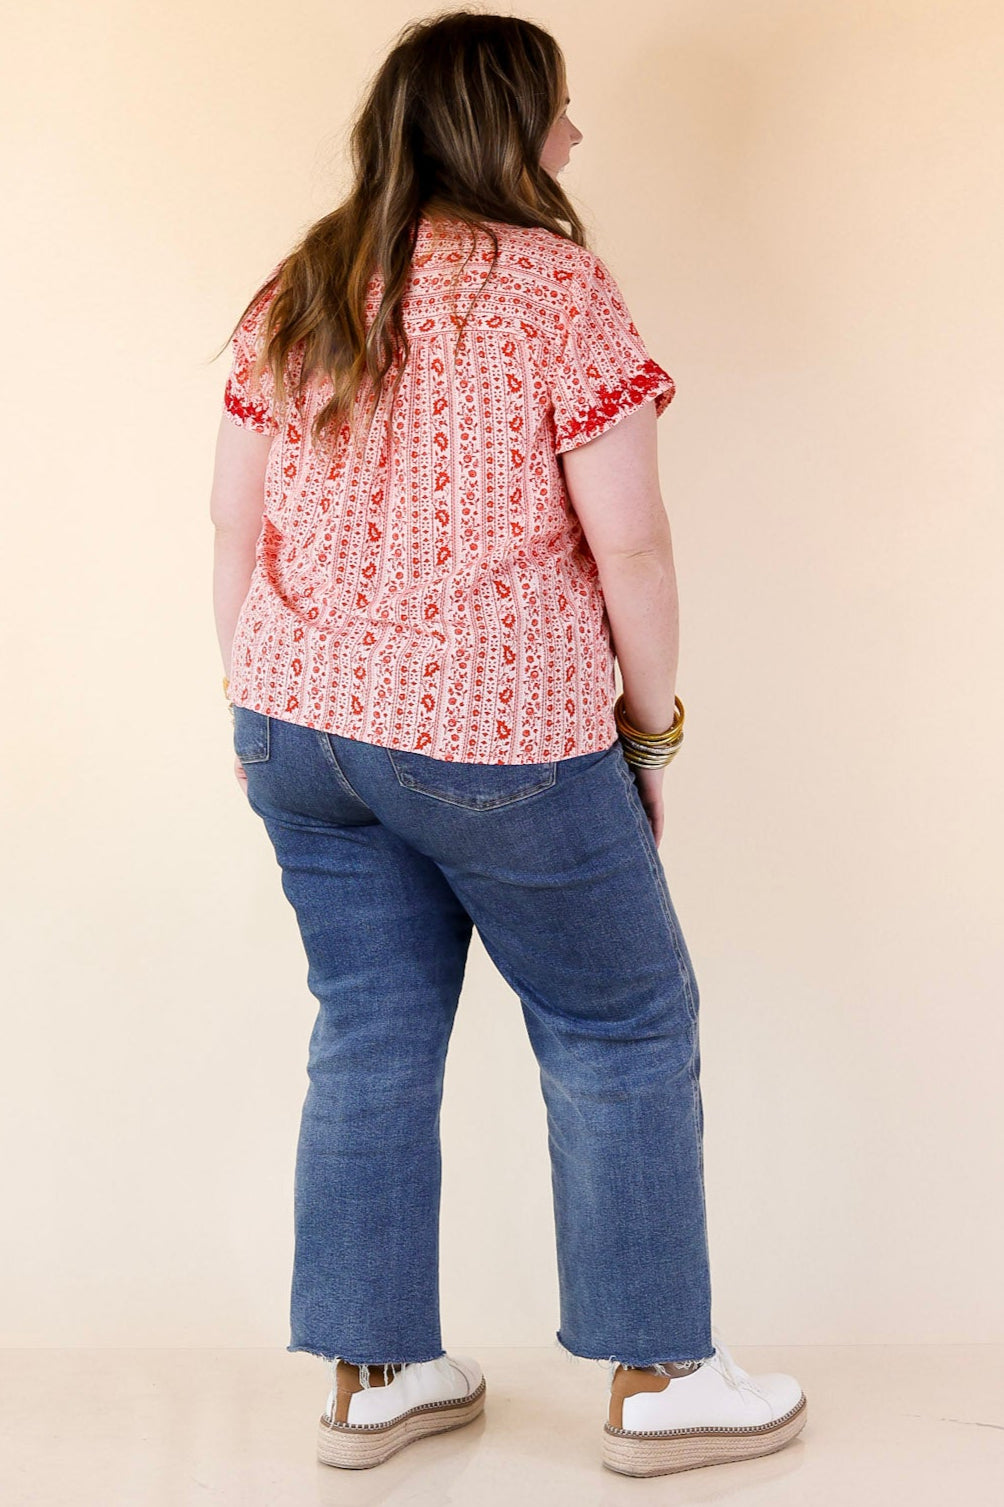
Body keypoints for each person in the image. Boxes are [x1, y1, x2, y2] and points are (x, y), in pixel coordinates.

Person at [209, 9, 806, 1480]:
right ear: (503, 126)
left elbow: (234, 521)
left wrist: (255, 705)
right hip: (496, 733)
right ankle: (663, 1377)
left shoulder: (301, 283)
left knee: (370, 1027)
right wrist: (650, 737)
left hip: (299, 725)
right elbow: (638, 549)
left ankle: (375, 1375)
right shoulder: (556, 289)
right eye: (558, 112)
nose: (575, 139)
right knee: (620, 1022)